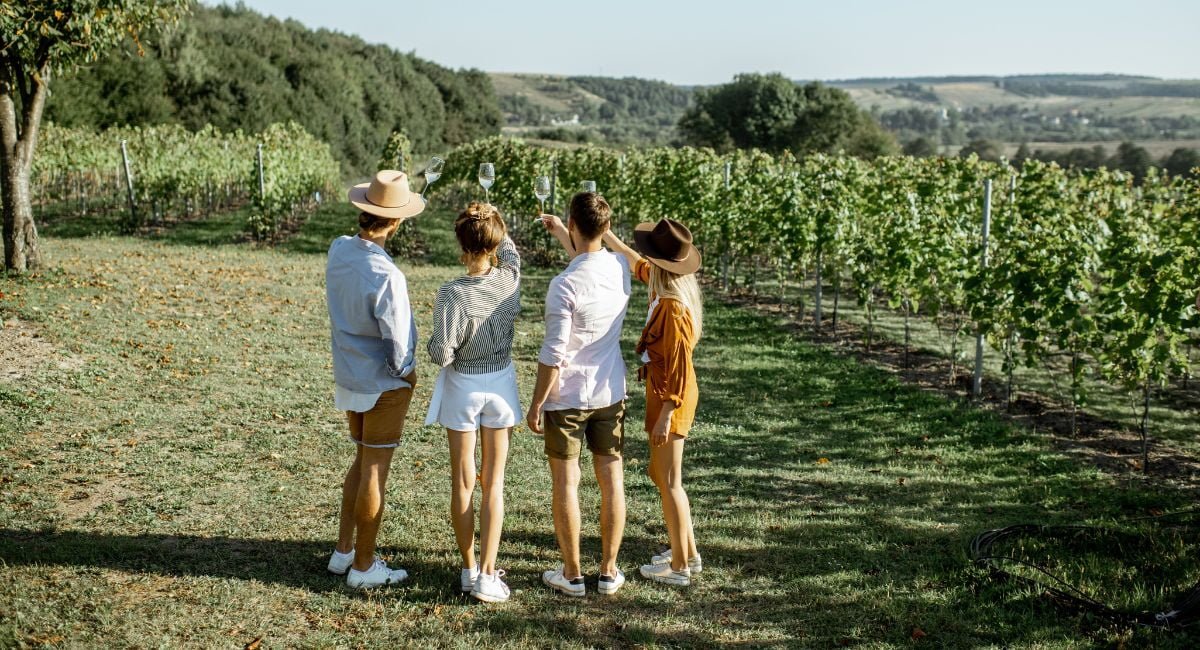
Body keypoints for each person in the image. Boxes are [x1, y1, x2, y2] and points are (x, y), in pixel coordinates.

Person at [528, 192, 631, 597]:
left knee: (566, 484)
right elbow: (591, 255)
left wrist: (537, 401)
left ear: (573, 225)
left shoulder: (563, 285)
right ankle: (608, 571)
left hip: (567, 397)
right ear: (606, 229)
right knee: (612, 481)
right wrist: (563, 235)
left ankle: (572, 574)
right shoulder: (620, 268)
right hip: (609, 391)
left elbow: (554, 354)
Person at [324, 170, 423, 589]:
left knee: (362, 462)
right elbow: (398, 345)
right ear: (396, 223)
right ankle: (364, 566)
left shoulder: (339, 250)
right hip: (382, 383)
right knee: (375, 472)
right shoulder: (388, 276)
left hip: (349, 375)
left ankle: (343, 550)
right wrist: (410, 374)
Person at [425, 202, 522, 603]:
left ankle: (467, 569)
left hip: (463, 386)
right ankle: (487, 573)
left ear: (462, 245)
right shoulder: (510, 281)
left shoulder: (452, 292)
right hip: (500, 385)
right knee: (493, 484)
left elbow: (441, 353)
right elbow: (512, 253)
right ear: (496, 241)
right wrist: (493, 214)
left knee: (463, 483)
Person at [602, 218, 704, 587]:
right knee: (662, 475)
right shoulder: (666, 291)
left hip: (670, 399)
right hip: (664, 396)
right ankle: (686, 552)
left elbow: (678, 370)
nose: (644, 260)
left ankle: (678, 567)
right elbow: (634, 261)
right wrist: (607, 235)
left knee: (670, 480)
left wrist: (665, 416)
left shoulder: (673, 309)